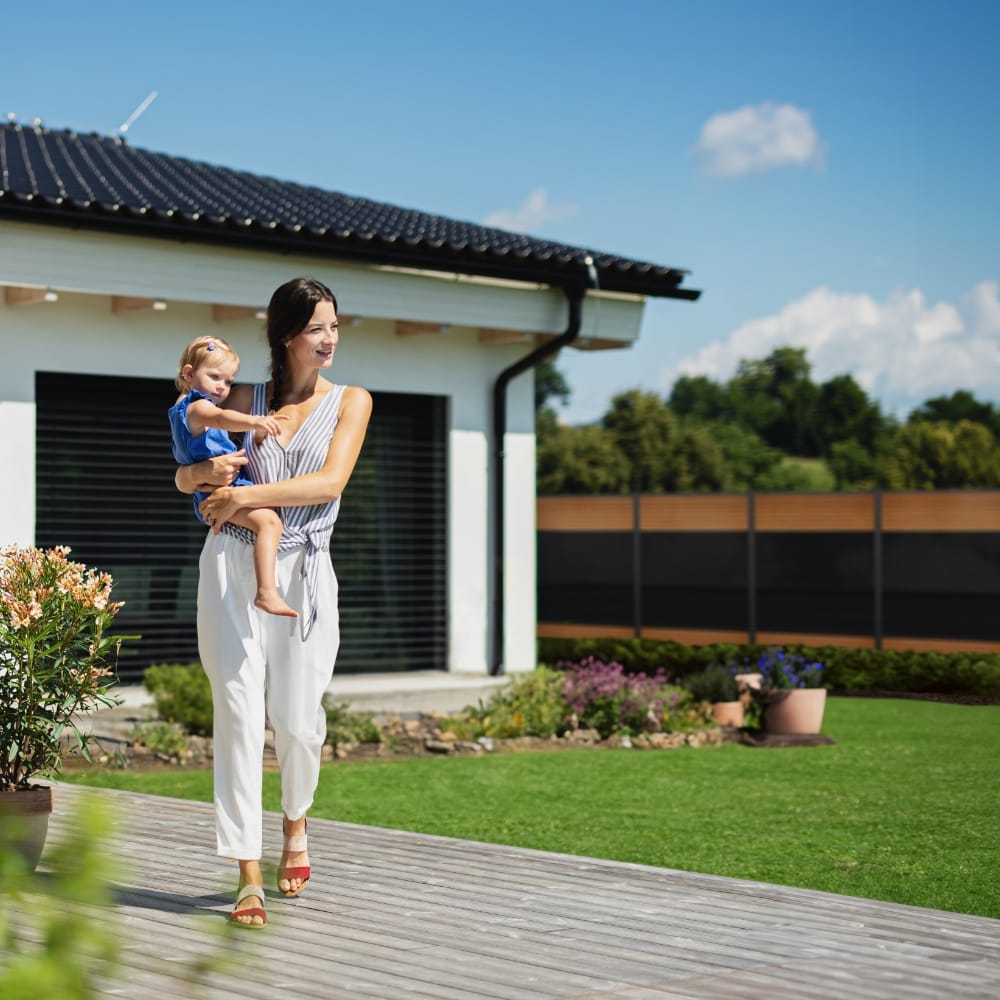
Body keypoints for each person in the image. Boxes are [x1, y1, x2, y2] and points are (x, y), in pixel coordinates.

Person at [174, 278, 372, 928]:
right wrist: (200, 480)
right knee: (236, 714)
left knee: (296, 720)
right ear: (287, 334)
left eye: (335, 326)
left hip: (305, 569)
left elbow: (330, 481)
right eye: (319, 327)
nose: (331, 338)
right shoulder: (241, 398)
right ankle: (247, 872)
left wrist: (246, 498)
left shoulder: (352, 402)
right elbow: (186, 468)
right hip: (231, 564)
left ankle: (295, 824)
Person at [169, 335, 297, 618]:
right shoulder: (196, 406)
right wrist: (256, 421)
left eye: (228, 382)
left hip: (215, 488)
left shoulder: (183, 407)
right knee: (270, 522)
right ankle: (266, 591)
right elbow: (221, 418)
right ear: (189, 374)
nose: (222, 387)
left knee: (268, 522)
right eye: (214, 377)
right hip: (217, 492)